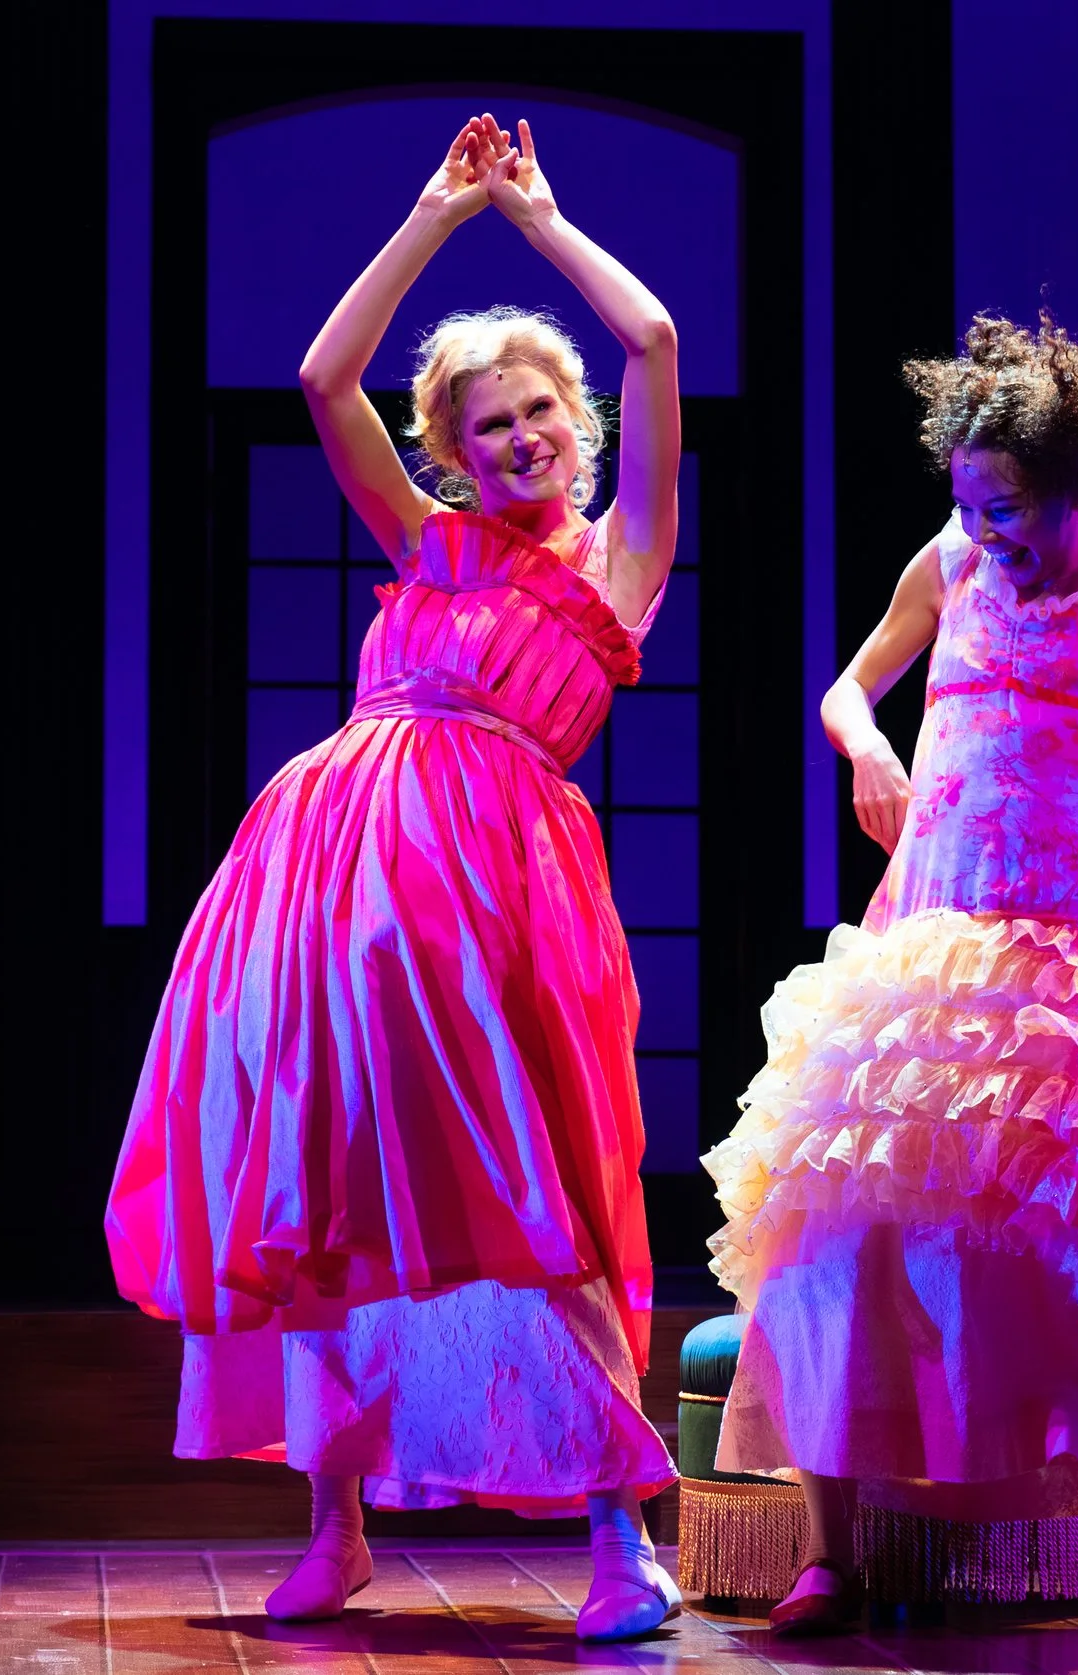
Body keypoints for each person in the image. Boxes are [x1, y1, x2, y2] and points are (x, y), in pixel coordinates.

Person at [105, 115, 683, 1640]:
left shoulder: (622, 561)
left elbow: (654, 337)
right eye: (488, 425)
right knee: (326, 1182)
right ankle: (337, 1519)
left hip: (497, 896)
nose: (520, 438)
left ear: (576, 418)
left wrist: (537, 222)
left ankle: (622, 1534)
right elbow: (323, 376)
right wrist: (434, 215)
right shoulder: (426, 539)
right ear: (453, 450)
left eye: (538, 409)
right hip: (325, 885)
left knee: (535, 1183)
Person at [703, 315, 1078, 1639]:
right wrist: (867, 749)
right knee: (839, 1230)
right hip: (930, 940)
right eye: (970, 503)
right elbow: (848, 689)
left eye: (1008, 507)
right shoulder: (950, 560)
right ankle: (830, 1550)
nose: (987, 530)